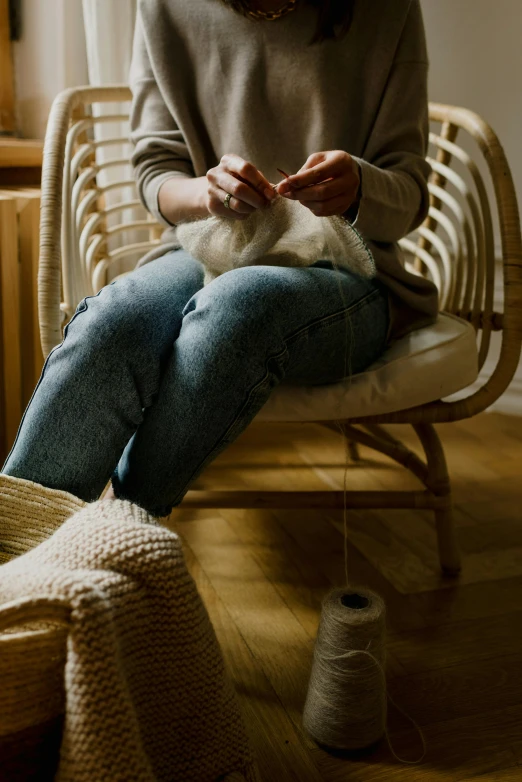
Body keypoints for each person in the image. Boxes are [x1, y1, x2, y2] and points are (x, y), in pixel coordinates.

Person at [1, 0, 438, 520]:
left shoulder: (386, 12)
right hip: (211, 248)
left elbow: (408, 193)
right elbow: (155, 172)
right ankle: (18, 556)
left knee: (239, 308)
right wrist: (210, 194)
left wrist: (361, 187)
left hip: (349, 275)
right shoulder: (168, 7)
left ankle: (117, 529)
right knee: (115, 320)